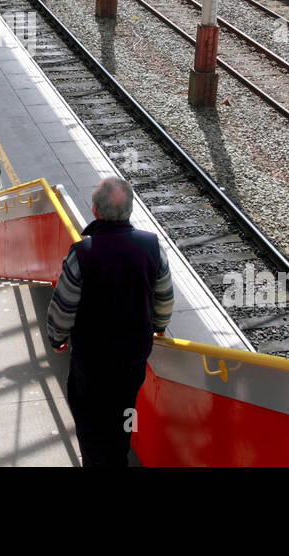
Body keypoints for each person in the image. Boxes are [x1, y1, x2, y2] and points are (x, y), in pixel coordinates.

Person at [46, 177, 173, 468]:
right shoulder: (152, 247)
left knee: (91, 424)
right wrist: (159, 326)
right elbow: (164, 298)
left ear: (95, 211)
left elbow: (63, 306)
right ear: (129, 210)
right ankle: (117, 458)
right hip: (132, 361)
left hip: (92, 363)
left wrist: (57, 338)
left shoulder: (83, 254)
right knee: (123, 416)